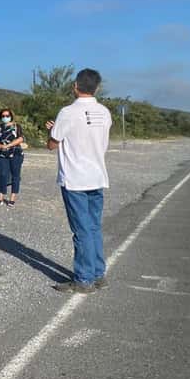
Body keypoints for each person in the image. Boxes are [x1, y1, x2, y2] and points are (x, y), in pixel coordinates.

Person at [46, 68, 112, 294]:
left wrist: (52, 131)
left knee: (81, 230)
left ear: (75, 86)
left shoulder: (67, 112)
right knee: (93, 226)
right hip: (96, 175)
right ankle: (98, 273)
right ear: (97, 87)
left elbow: (53, 143)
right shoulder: (104, 112)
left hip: (75, 178)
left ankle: (83, 279)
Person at [0, 107, 25, 207]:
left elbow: (21, 138)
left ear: (11, 116)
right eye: (3, 116)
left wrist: (7, 146)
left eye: (7, 116)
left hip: (15, 153)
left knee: (15, 175)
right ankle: (1, 197)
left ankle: (12, 198)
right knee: (3, 174)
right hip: (3, 154)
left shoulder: (17, 127)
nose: (5, 117)